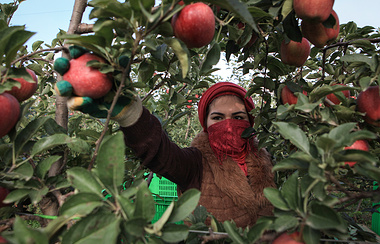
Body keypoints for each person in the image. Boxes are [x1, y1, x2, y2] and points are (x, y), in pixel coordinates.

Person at [55, 54, 275, 227]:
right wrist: (132, 115)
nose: (228, 124)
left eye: (238, 117)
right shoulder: (195, 164)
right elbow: (161, 153)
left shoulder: (267, 160)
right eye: (217, 118)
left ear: (250, 122)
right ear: (206, 126)